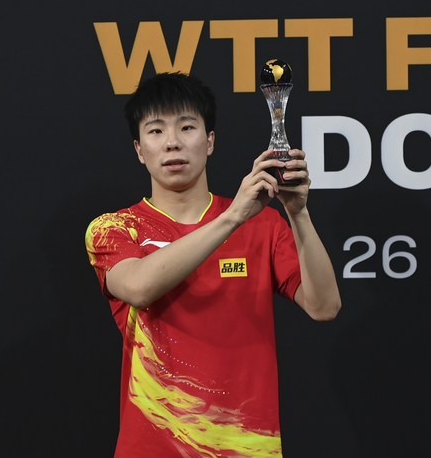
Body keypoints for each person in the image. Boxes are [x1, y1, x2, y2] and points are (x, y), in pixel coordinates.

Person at [85, 73, 341, 457]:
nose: (172, 142)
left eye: (187, 127)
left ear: (210, 141)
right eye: (156, 131)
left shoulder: (263, 225)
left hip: (247, 449)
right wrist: (233, 217)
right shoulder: (114, 229)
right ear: (139, 149)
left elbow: (324, 307)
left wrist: (298, 213)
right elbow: (139, 287)